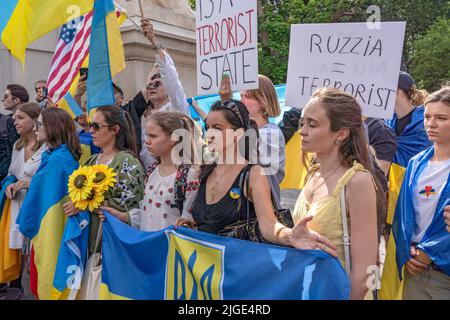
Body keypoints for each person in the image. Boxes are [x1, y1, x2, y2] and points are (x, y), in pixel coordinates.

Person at [176, 99, 338, 258]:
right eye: (207, 127)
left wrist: (289, 236)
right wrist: (193, 226)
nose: (209, 134)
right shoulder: (205, 171)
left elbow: (269, 225)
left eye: (218, 128)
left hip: (238, 274)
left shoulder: (254, 174)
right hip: (204, 274)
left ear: (238, 134)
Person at [292, 88, 385, 300]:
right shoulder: (312, 175)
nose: (302, 131)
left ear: (341, 134)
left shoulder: (357, 181)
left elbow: (367, 271)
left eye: (312, 124)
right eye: (302, 123)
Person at [16, 107, 81, 300]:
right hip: (46, 226)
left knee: (49, 275)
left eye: (39, 124)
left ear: (53, 127)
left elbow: (49, 196)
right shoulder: (52, 156)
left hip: (53, 227)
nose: (35, 128)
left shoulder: (60, 160)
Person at [392, 86, 450, 300]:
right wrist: (408, 252)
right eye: (427, 116)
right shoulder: (416, 163)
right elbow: (404, 215)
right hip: (414, 267)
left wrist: (429, 253)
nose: (431, 124)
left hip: (444, 273)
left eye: (441, 118)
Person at [63, 106, 145, 256]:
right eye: (91, 125)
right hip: (89, 240)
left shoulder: (127, 162)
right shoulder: (92, 160)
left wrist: (84, 206)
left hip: (112, 244)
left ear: (114, 130)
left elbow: (128, 205)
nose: (90, 131)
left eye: (96, 126)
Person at [103, 111, 199, 231]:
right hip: (149, 245)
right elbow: (148, 212)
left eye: (153, 136)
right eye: (147, 135)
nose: (147, 141)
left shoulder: (189, 175)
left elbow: (189, 222)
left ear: (173, 138)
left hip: (172, 247)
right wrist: (123, 216)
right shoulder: (152, 170)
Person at [1, 103, 46, 299]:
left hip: (36, 204)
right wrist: (11, 183)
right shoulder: (17, 145)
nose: (14, 121)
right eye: (15, 117)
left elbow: (47, 178)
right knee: (17, 247)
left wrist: (26, 183)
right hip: (17, 202)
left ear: (34, 120)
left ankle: (34, 289)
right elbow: (12, 173)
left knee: (33, 249)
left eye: (20, 118)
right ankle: (16, 286)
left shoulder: (46, 148)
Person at [220, 74, 286, 198]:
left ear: (263, 100)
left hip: (257, 209)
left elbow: (241, 153)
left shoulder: (271, 133)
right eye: (241, 96)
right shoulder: (246, 130)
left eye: (248, 96)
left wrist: (226, 102)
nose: (241, 101)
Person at [138, 18, 191, 170]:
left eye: (158, 83)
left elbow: (172, 80)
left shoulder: (175, 109)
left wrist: (154, 42)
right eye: (150, 84)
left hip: (174, 175)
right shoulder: (143, 114)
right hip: (150, 177)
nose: (152, 86)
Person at [386, 71, 432, 167]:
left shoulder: (424, 121)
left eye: (384, 89)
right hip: (390, 179)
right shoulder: (387, 123)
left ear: (396, 90)